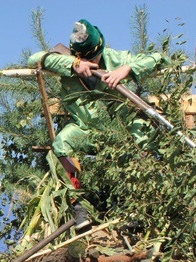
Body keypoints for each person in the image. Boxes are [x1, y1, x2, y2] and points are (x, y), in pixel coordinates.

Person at [26, 19, 168, 228]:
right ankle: (79, 206)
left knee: (142, 135)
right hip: (86, 129)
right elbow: (34, 59)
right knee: (62, 142)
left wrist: (127, 69)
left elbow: (159, 58)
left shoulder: (115, 58)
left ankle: (137, 207)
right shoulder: (68, 62)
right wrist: (74, 65)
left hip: (119, 128)